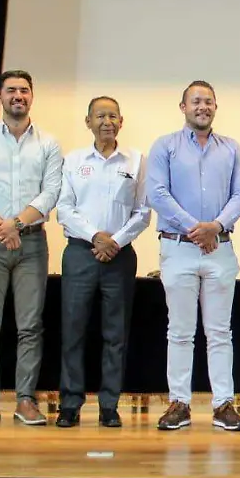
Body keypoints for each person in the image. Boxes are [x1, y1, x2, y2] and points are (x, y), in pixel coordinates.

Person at [0, 70, 63, 426]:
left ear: (31, 96)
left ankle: (25, 400)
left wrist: (15, 224)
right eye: (11, 91)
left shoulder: (48, 143)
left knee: (30, 326)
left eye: (24, 90)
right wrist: (1, 228)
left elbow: (50, 193)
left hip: (32, 242)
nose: (18, 96)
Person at [146, 80, 240, 432]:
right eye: (196, 101)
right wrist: (197, 228)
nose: (202, 106)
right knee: (180, 332)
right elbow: (157, 193)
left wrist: (215, 226)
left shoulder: (231, 148)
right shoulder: (165, 146)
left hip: (219, 248)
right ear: (183, 107)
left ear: (215, 107)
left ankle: (223, 404)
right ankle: (180, 403)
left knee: (221, 332)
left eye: (208, 101)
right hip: (178, 248)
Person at [54, 96, 151, 428]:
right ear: (88, 122)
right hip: (81, 252)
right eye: (100, 116)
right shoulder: (73, 160)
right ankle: (70, 404)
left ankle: (110, 404)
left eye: (113, 116)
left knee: (116, 334)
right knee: (74, 330)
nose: (107, 121)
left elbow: (143, 211)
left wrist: (115, 241)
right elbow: (64, 208)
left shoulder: (136, 160)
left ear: (121, 122)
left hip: (120, 256)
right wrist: (96, 237)